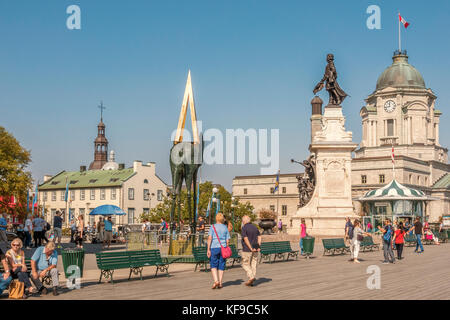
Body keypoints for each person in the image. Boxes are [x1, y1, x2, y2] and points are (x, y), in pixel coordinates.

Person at [207, 213, 230, 289]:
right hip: (223, 248)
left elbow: (210, 238)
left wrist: (208, 249)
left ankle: (216, 281)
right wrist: (226, 247)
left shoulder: (212, 227)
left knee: (213, 265)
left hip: (214, 247)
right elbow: (227, 240)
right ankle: (220, 282)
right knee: (221, 265)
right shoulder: (225, 228)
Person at [241, 215, 261, 286]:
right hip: (256, 247)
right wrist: (258, 246)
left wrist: (250, 247)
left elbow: (245, 238)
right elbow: (259, 237)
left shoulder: (244, 228)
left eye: (242, 221)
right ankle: (252, 278)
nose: (242, 222)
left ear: (244, 221)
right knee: (254, 263)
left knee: (245, 264)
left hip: (247, 249)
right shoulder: (255, 227)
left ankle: (251, 277)